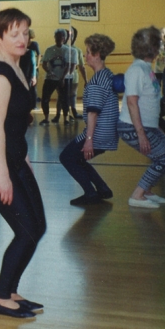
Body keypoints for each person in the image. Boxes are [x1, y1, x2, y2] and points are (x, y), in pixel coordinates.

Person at [0, 8, 46, 319]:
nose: (21, 39)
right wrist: (3, 174)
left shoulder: (18, 65)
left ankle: (11, 291)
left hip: (14, 156)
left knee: (37, 226)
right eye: (13, 34)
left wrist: (25, 157)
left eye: (25, 32)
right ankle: (2, 299)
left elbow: (16, 124)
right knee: (26, 228)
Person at [117, 26, 165, 209]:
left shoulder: (146, 68)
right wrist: (142, 134)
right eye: (159, 44)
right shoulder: (136, 70)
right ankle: (137, 195)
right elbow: (132, 103)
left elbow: (149, 102)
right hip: (133, 128)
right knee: (164, 157)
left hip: (147, 126)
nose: (161, 48)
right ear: (151, 48)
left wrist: (155, 127)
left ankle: (147, 190)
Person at [59, 34, 118, 205]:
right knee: (77, 158)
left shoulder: (96, 82)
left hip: (98, 133)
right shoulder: (108, 75)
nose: (85, 56)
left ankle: (91, 193)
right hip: (108, 132)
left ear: (97, 54)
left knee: (67, 157)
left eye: (88, 53)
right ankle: (103, 188)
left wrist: (89, 141)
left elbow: (93, 113)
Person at [39, 29, 68, 125]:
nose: (58, 39)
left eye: (60, 37)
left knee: (64, 99)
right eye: (56, 37)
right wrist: (49, 72)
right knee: (45, 99)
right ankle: (46, 118)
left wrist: (63, 77)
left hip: (62, 78)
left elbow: (69, 65)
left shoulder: (67, 50)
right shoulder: (49, 50)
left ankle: (65, 119)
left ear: (64, 38)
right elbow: (44, 63)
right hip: (50, 78)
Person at [66, 26, 88, 120]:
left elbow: (82, 67)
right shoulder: (63, 48)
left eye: (72, 34)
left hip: (74, 76)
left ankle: (74, 111)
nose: (71, 37)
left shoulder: (78, 50)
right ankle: (66, 113)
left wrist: (86, 80)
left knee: (73, 94)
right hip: (63, 75)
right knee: (64, 95)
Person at [19, 28, 38, 111]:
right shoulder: (18, 52)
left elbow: (33, 65)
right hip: (20, 74)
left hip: (28, 75)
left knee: (28, 92)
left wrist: (34, 76)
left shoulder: (30, 52)